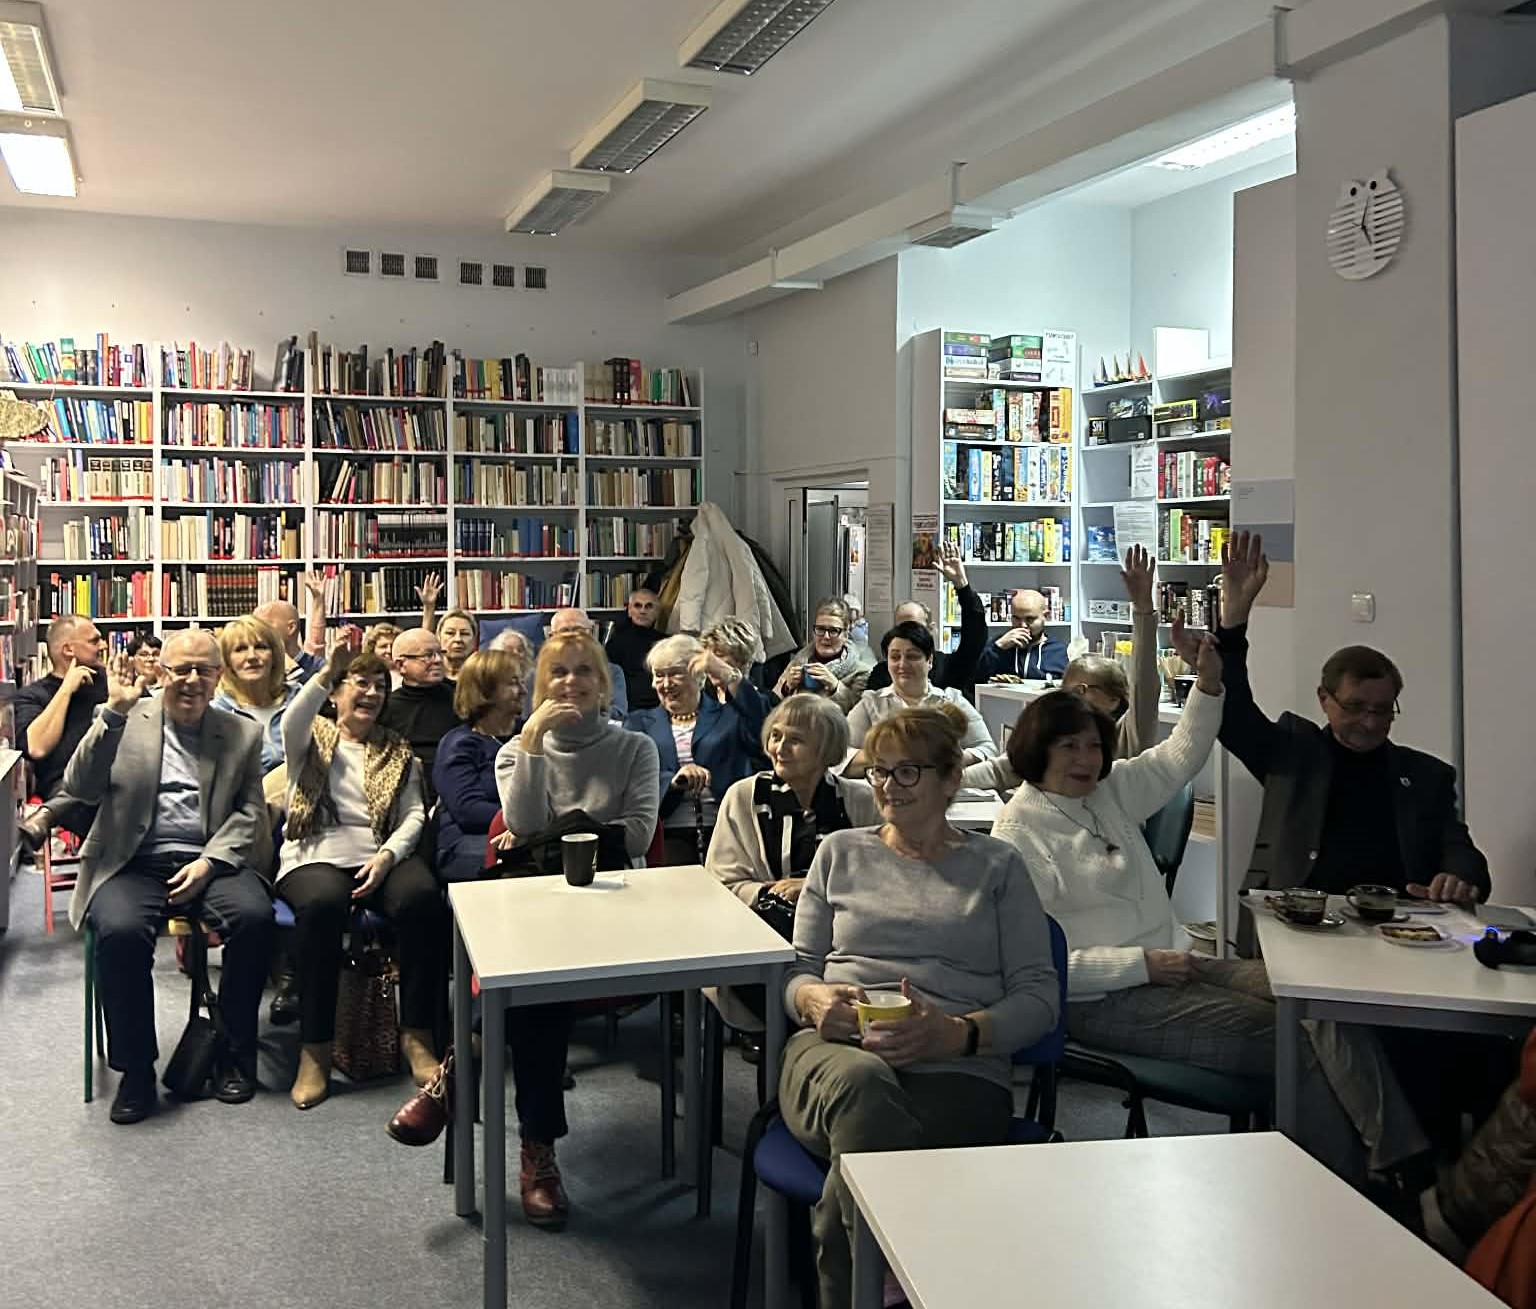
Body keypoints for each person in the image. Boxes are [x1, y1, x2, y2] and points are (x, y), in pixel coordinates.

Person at [991, 645, 1428, 1183]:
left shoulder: (1108, 793)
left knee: (1320, 997)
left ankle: (1397, 1158)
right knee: (1295, 1039)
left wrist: (1209, 682)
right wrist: (1141, 965)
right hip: (1101, 999)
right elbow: (1039, 971)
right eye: (1068, 747)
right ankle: (1348, 1186)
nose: (1086, 760)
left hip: (1175, 964)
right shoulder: (1019, 834)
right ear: (1037, 749)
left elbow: (1182, 752)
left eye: (1092, 746)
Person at [781, 703, 1059, 1308]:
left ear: (951, 778)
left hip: (959, 1071)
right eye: (880, 772)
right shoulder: (840, 852)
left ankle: (865, 1282)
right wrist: (814, 999)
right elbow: (798, 972)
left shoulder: (998, 867)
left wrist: (958, 1034)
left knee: (855, 1175)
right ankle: (901, 1282)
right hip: (835, 1052)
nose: (888, 787)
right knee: (862, 1086)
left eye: (908, 772)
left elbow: (1040, 999)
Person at [414, 629, 656, 1229]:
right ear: (535, 687)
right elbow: (521, 820)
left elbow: (638, 837)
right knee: (533, 990)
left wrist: (555, 831)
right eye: (557, 673)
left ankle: (455, 1071)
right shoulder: (514, 750)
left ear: (604, 684)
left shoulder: (635, 751)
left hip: (616, 910)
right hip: (539, 911)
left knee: (525, 987)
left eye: (583, 672)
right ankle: (537, 1152)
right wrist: (532, 744)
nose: (570, 683)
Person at [1207, 532, 1490, 909]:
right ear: (1324, 699)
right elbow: (1231, 712)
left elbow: (1461, 852)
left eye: (1382, 710)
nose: (1370, 723)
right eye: (1355, 708)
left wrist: (1460, 877)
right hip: (1300, 924)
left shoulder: (1427, 777)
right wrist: (1233, 624)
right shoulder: (1291, 755)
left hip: (1398, 930)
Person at [64, 633, 274, 1124]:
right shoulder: (123, 718)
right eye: (181, 669)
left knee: (254, 917)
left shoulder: (240, 733)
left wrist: (211, 861)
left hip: (208, 858)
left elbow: (250, 812)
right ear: (161, 671)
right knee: (119, 932)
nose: (191, 681)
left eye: (203, 670)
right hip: (133, 860)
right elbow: (79, 787)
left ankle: (233, 1053)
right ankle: (136, 1069)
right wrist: (112, 713)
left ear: (218, 677)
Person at [278, 639, 443, 1110]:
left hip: (377, 853)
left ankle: (416, 1034)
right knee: (326, 904)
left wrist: (389, 856)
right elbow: (292, 717)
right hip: (314, 853)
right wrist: (327, 672)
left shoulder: (398, 750)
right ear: (336, 693)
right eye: (360, 683)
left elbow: (414, 815)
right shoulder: (310, 736)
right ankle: (316, 1048)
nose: (370, 692)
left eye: (379, 686)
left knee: (422, 898)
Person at [707, 694, 880, 1023]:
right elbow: (720, 884)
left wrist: (812, 890)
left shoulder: (860, 800)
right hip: (762, 933)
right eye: (776, 735)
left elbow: (881, 880)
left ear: (827, 750)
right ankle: (795, 1033)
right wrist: (771, 893)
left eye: (796, 740)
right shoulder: (743, 796)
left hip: (840, 937)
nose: (780, 747)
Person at [960, 546, 1163, 792]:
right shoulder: (1052, 733)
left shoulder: (1126, 736)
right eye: (1065, 691)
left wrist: (1143, 612)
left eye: (1080, 690)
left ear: (1112, 699)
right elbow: (999, 770)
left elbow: (1146, 688)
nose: (1068, 700)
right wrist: (944, 782)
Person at [627, 633, 771, 865]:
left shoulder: (730, 716)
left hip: (728, 828)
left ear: (699, 676)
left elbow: (764, 728)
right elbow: (633, 779)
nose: (666, 684)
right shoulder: (638, 723)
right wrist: (673, 781)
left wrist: (727, 674)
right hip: (667, 831)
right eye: (659, 675)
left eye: (675, 674)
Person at [433, 647, 529, 882]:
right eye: (513, 683)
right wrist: (529, 822)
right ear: (485, 692)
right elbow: (468, 811)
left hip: (524, 833)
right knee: (524, 863)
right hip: (469, 839)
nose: (523, 691)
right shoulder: (460, 744)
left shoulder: (531, 734)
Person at [846, 621, 997, 766]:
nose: (902, 664)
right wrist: (890, 756)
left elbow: (988, 749)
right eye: (895, 657)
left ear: (929, 660)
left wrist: (951, 759)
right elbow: (841, 755)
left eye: (912, 656)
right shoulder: (871, 703)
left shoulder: (952, 701)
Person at [14, 614, 109, 846]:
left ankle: (48, 814)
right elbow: (36, 748)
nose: (104, 645)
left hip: (119, 776)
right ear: (68, 650)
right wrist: (65, 690)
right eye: (94, 641)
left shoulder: (107, 680)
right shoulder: (33, 695)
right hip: (66, 785)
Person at [865, 544, 987, 700]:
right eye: (902, 628)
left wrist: (962, 586)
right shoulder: (883, 673)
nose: (908, 635)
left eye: (915, 628)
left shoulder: (947, 667)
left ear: (931, 630)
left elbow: (975, 638)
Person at [378, 627, 462, 799]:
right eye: (428, 655)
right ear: (401, 665)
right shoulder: (386, 707)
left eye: (440, 653)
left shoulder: (461, 698)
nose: (438, 660)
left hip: (457, 783)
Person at [211, 615, 297, 774]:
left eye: (260, 647)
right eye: (240, 649)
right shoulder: (215, 713)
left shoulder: (299, 700)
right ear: (227, 662)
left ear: (275, 655)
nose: (251, 656)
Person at [773, 597, 874, 712]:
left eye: (833, 631)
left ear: (846, 635)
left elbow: (858, 715)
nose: (826, 637)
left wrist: (835, 687)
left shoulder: (860, 672)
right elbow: (770, 706)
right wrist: (786, 688)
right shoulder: (798, 662)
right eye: (820, 629)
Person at [974, 588, 1068, 683]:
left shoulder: (1058, 650)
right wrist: (998, 647)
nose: (1022, 625)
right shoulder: (998, 645)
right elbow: (972, 680)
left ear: (1046, 616)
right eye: (1016, 618)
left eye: (1030, 619)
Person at [549, 606, 627, 719]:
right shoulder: (537, 674)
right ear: (551, 637)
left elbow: (619, 713)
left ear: (591, 633)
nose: (572, 636)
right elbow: (533, 715)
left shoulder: (612, 671)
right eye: (564, 631)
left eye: (579, 630)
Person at [254, 573, 326, 687]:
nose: (256, 633)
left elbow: (316, 643)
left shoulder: (319, 668)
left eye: (264, 625)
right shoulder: (257, 668)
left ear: (291, 628)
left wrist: (318, 600)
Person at [604, 587, 663, 712]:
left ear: (657, 612)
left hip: (662, 707)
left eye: (648, 606)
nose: (642, 611)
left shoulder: (667, 643)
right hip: (629, 709)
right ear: (630, 611)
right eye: (638, 606)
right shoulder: (616, 643)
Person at [436, 608, 480, 680]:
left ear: (474, 639)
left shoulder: (483, 675)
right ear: (438, 637)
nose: (458, 639)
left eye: (464, 634)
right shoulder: (428, 675)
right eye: (450, 633)